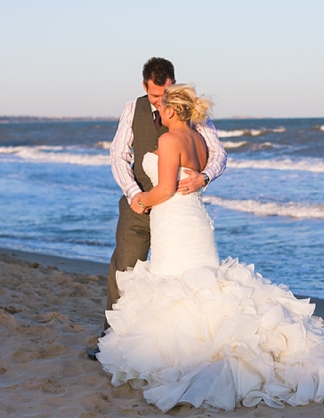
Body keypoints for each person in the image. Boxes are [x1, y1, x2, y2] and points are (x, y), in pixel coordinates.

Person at [96, 85, 324, 412]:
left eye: (161, 109)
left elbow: (165, 189)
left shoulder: (169, 140)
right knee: (200, 288)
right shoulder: (197, 139)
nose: (157, 114)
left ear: (170, 111)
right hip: (195, 221)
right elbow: (206, 167)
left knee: (178, 288)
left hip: (176, 223)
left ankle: (188, 360)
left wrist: (139, 199)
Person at [90, 58, 226, 359]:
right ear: (144, 87)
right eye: (154, 97)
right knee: (124, 271)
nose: (160, 102)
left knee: (179, 278)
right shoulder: (132, 109)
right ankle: (112, 340)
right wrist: (134, 194)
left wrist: (203, 177)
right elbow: (118, 156)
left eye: (165, 95)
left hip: (176, 213)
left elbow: (218, 154)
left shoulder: (190, 112)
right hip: (138, 205)